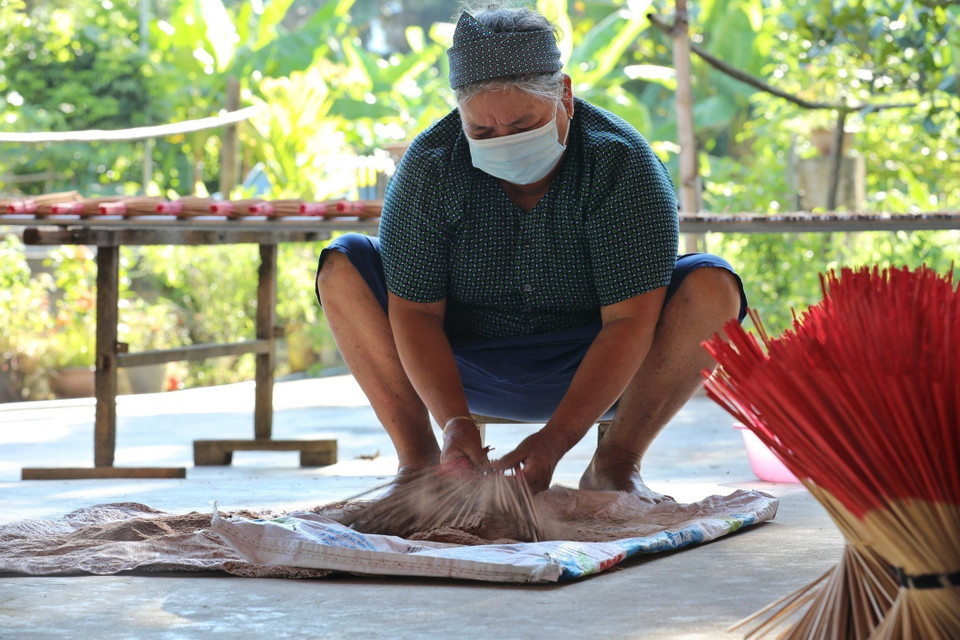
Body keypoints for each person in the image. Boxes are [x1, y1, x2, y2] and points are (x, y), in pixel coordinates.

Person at [315, 5, 747, 500]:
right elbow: (415, 313)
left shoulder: (622, 163)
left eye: (523, 125)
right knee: (342, 265)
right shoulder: (430, 166)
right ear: (460, 117)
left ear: (564, 93)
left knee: (713, 286)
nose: (504, 142)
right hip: (461, 362)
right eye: (482, 132)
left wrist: (558, 438)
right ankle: (420, 467)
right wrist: (454, 422)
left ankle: (616, 464)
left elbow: (629, 323)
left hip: (600, 362)